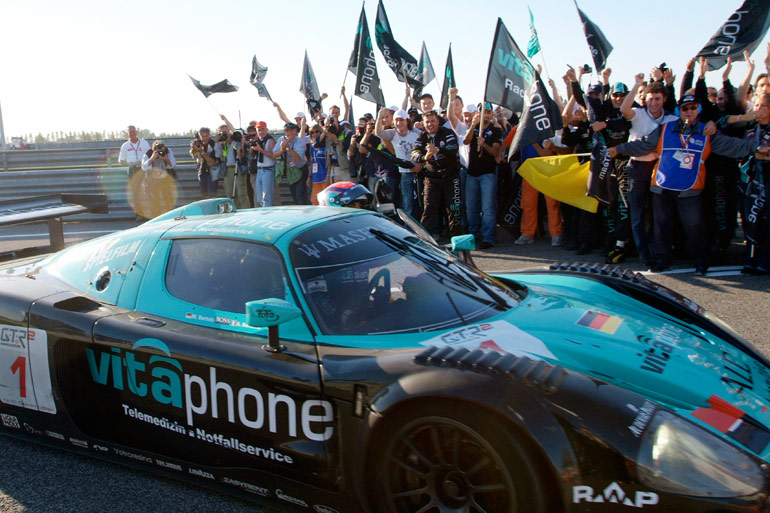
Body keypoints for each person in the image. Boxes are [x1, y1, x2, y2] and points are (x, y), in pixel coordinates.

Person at [611, 94, 769, 275]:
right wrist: (620, 149)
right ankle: (663, 260)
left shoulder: (706, 131)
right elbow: (644, 145)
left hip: (690, 189)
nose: (689, 111)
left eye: (693, 107)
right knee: (662, 226)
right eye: (685, 108)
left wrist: (756, 148)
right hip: (662, 186)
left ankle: (700, 261)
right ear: (679, 111)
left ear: (698, 110)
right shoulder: (665, 128)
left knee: (695, 227)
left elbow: (731, 145)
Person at [619, 76, 679, 267]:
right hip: (637, 168)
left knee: (659, 214)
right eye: (650, 99)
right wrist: (636, 85)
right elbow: (623, 109)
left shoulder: (672, 119)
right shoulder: (638, 113)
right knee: (637, 214)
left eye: (657, 99)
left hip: (660, 170)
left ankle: (657, 249)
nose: (653, 103)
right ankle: (643, 252)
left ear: (664, 99)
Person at [411, 110, 461, 238]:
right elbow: (414, 153)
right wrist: (424, 157)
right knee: (429, 208)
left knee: (454, 208)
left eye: (433, 121)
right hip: (432, 178)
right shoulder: (422, 137)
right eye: (427, 122)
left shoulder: (447, 133)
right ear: (423, 123)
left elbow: (453, 148)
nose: (430, 124)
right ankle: (424, 240)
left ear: (438, 121)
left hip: (450, 176)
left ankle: (457, 239)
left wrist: (437, 150)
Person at [463, 107, 501, 249]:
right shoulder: (473, 128)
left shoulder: (496, 130)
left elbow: (495, 151)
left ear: (491, 115)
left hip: (488, 174)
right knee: (471, 207)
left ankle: (488, 238)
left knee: (488, 208)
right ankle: (474, 235)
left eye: (489, 112)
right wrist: (473, 125)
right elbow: (466, 141)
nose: (486, 115)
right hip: (472, 173)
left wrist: (484, 144)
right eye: (483, 112)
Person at [377, 108, 424, 219]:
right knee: (408, 205)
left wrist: (421, 166)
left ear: (407, 121)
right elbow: (378, 132)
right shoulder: (392, 134)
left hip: (421, 172)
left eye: (401, 120)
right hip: (405, 174)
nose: (399, 123)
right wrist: (379, 116)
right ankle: (409, 230)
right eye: (397, 120)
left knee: (424, 203)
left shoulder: (416, 133)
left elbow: (427, 148)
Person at [271, 122, 310, 205]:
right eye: (287, 131)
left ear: (296, 131)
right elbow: (274, 155)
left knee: (300, 194)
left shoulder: (299, 141)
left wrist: (287, 148)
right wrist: (282, 150)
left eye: (291, 131)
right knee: (294, 195)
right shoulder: (281, 139)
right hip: (290, 171)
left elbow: (298, 157)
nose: (289, 133)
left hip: (301, 169)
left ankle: (304, 213)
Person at [118, 125, 151, 221]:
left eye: (133, 131)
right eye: (130, 132)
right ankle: (139, 214)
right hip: (132, 170)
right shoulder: (125, 145)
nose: (132, 133)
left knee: (147, 191)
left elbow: (150, 154)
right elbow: (120, 160)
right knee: (136, 193)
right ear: (127, 134)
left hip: (143, 168)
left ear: (136, 132)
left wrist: (142, 162)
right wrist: (129, 163)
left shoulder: (144, 143)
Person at [141, 139, 177, 218]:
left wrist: (165, 158)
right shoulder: (148, 153)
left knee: (168, 197)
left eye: (161, 148)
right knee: (154, 199)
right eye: (157, 148)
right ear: (153, 149)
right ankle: (156, 216)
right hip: (153, 179)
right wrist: (152, 158)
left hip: (165, 178)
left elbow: (173, 164)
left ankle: (170, 216)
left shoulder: (168, 151)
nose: (159, 150)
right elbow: (143, 167)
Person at [248, 121, 276, 207]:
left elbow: (273, 156)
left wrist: (260, 150)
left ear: (267, 129)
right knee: (259, 197)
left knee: (266, 197)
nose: (261, 132)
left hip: (268, 170)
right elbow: (251, 155)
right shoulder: (258, 141)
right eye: (259, 130)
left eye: (263, 129)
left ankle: (269, 213)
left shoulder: (270, 140)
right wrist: (252, 148)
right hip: (259, 170)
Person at [189, 127, 218, 199]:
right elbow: (192, 154)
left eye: (206, 136)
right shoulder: (199, 142)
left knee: (212, 196)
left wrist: (202, 151)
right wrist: (193, 147)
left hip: (212, 172)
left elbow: (212, 162)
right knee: (204, 195)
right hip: (202, 171)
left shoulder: (213, 144)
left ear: (209, 135)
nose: (204, 138)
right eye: (202, 136)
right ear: (199, 136)